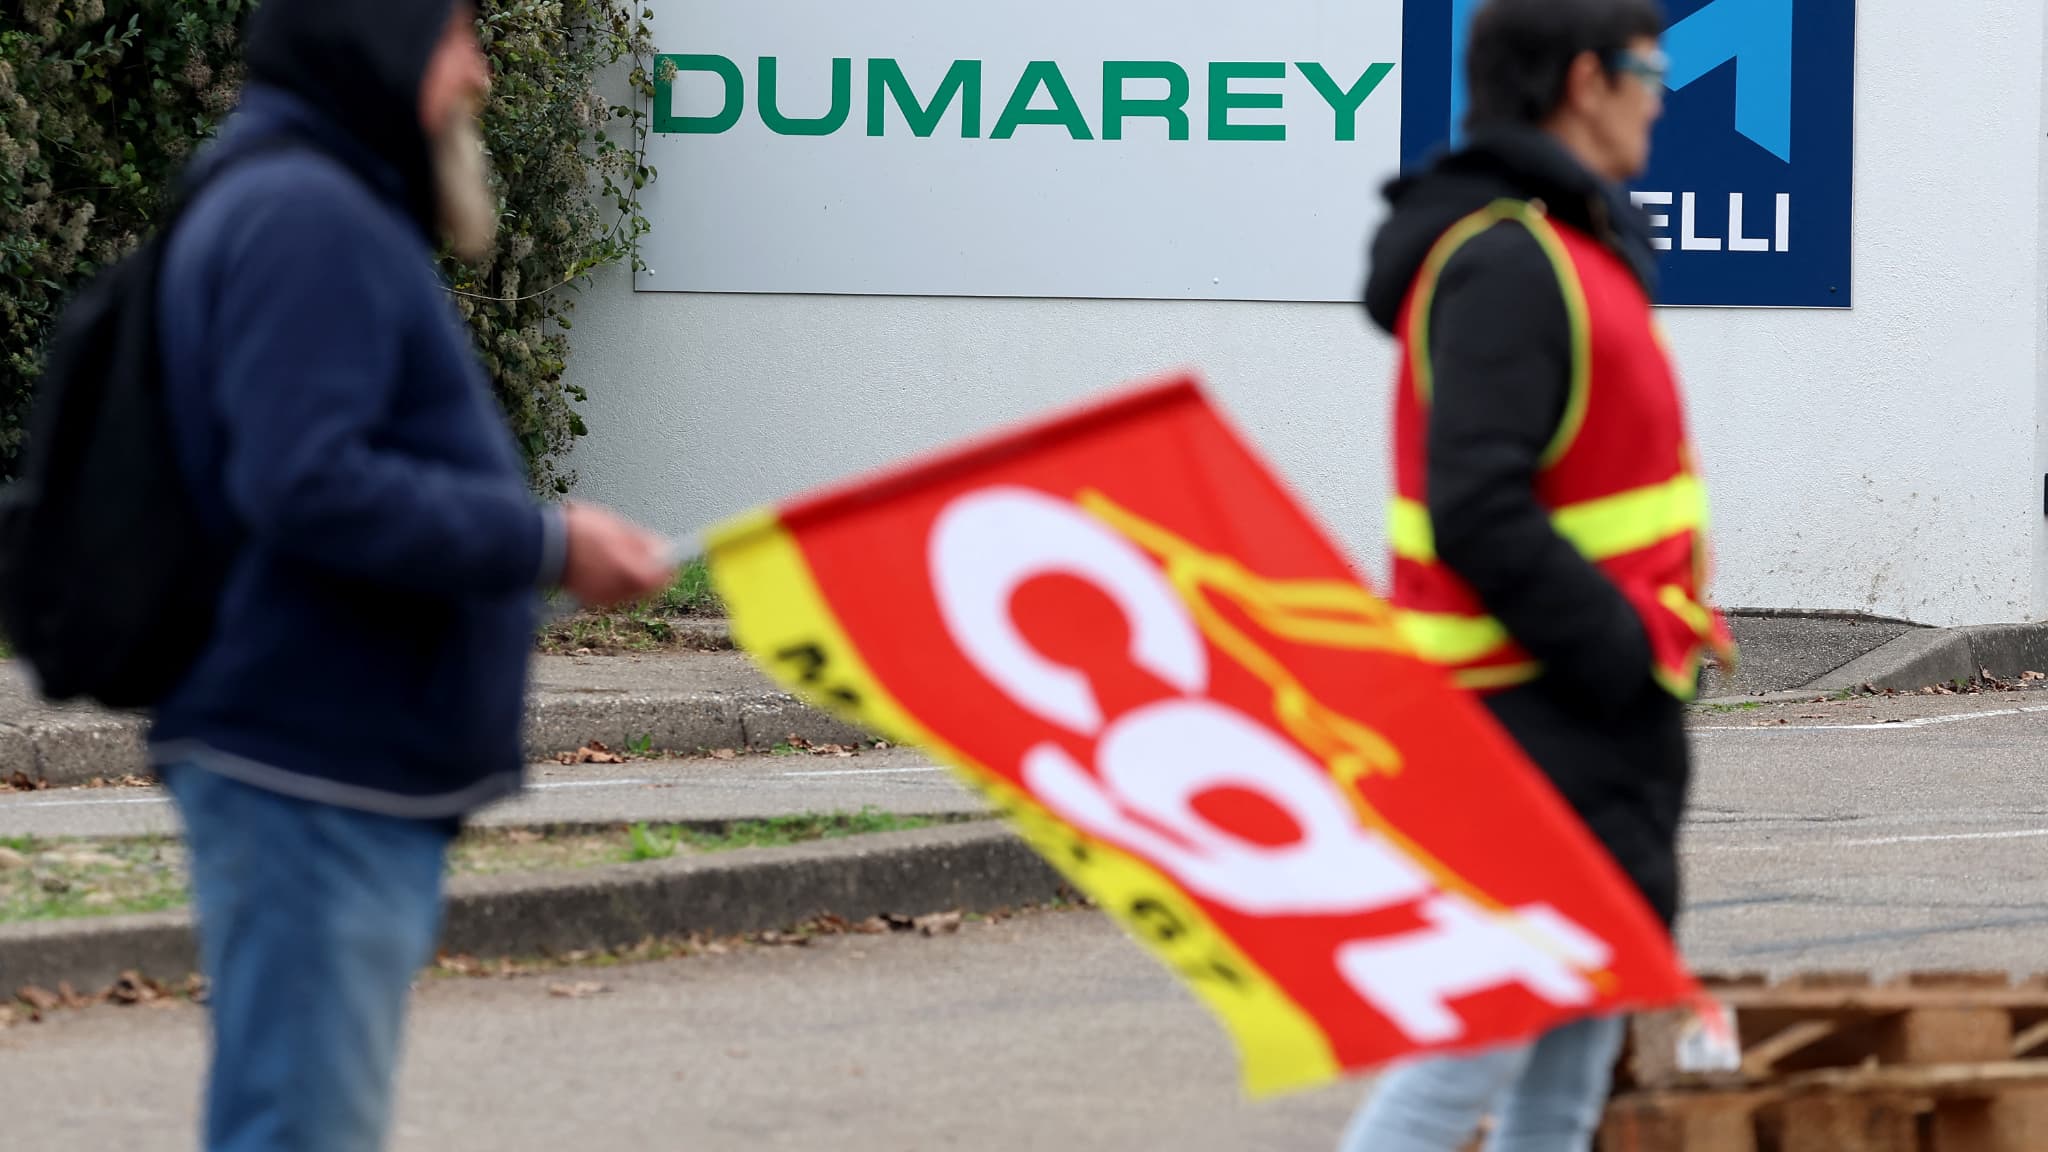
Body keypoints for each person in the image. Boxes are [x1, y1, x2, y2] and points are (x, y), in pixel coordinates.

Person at [150, 1, 676, 1148]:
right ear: (378, 41)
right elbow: (307, 481)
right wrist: (550, 545)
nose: (480, 73)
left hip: (329, 763)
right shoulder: (307, 217)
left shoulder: (304, 199)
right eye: (456, 35)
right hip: (312, 765)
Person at [1341, 0, 1733, 1149]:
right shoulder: (1509, 264)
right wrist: (1616, 651)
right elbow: (1474, 505)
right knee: (1469, 1057)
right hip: (1527, 722)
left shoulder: (1563, 249)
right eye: (1648, 67)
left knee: (1564, 1072)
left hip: (1580, 722)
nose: (1661, 94)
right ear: (1582, 80)